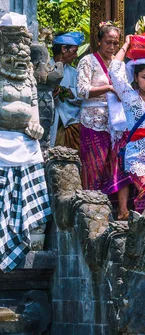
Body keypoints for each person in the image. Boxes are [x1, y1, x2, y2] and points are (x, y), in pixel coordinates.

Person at [0, 12, 52, 272]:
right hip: (1, 140)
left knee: (30, 182)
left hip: (25, 142)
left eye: (23, 47)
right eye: (13, 46)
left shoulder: (29, 78)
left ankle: (30, 238)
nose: (20, 52)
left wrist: (35, 125)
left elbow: (34, 110)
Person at [77, 21, 130, 219]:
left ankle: (118, 209)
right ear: (99, 42)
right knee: (94, 165)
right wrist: (108, 88)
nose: (112, 47)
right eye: (108, 42)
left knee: (116, 164)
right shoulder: (88, 61)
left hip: (116, 122)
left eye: (116, 44)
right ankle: (92, 209)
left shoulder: (120, 66)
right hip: (93, 121)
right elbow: (82, 90)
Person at [108, 35, 145, 213]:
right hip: (135, 156)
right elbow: (114, 71)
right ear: (135, 77)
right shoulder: (129, 96)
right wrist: (126, 45)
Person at [49, 31, 85, 150]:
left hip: (71, 126)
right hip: (50, 123)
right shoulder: (44, 68)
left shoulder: (74, 73)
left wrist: (71, 94)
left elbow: (82, 98)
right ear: (64, 49)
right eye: (74, 51)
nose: (76, 55)